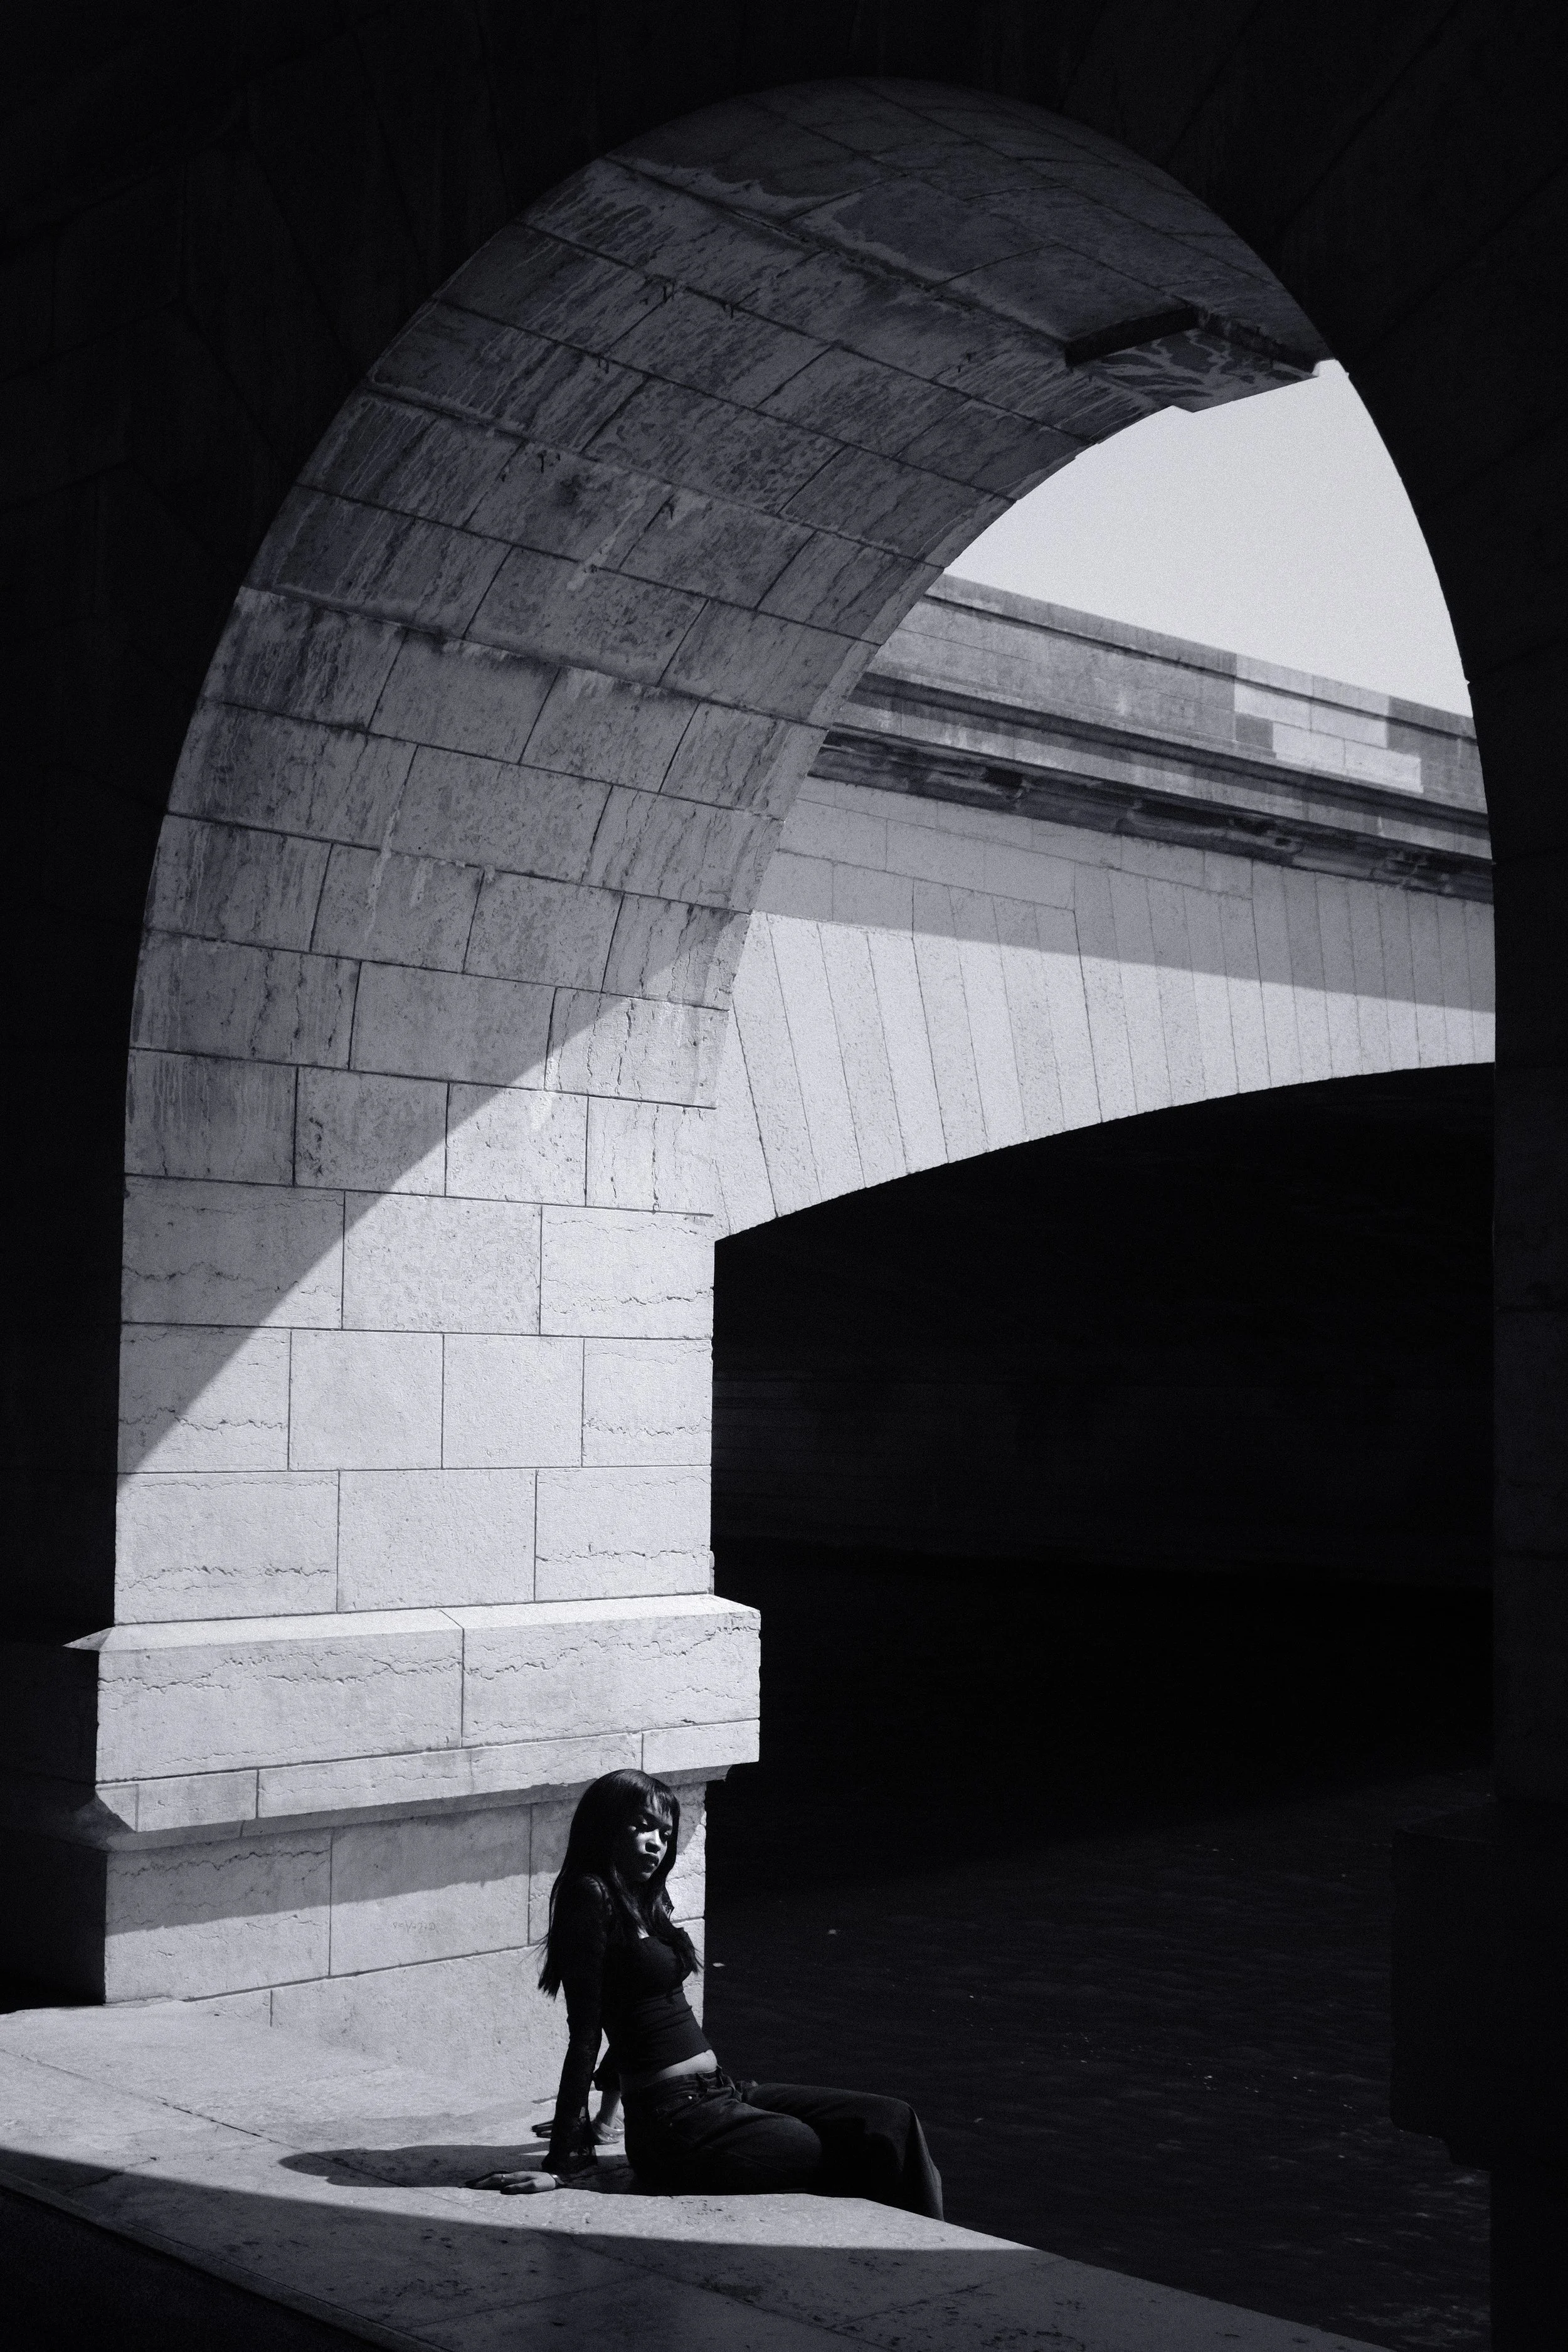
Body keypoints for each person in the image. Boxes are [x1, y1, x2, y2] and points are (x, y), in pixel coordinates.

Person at [470, 1768, 943, 2215]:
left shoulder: (642, 1897)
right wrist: (568, 2162)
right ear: (606, 1826)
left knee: (890, 2122)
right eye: (643, 1827)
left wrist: (607, 2117)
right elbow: (588, 2031)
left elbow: (636, 2007)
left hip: (723, 2092)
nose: (657, 1843)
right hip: (676, 2123)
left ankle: (945, 2264)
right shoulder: (588, 1894)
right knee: (837, 2152)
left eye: (667, 1834)